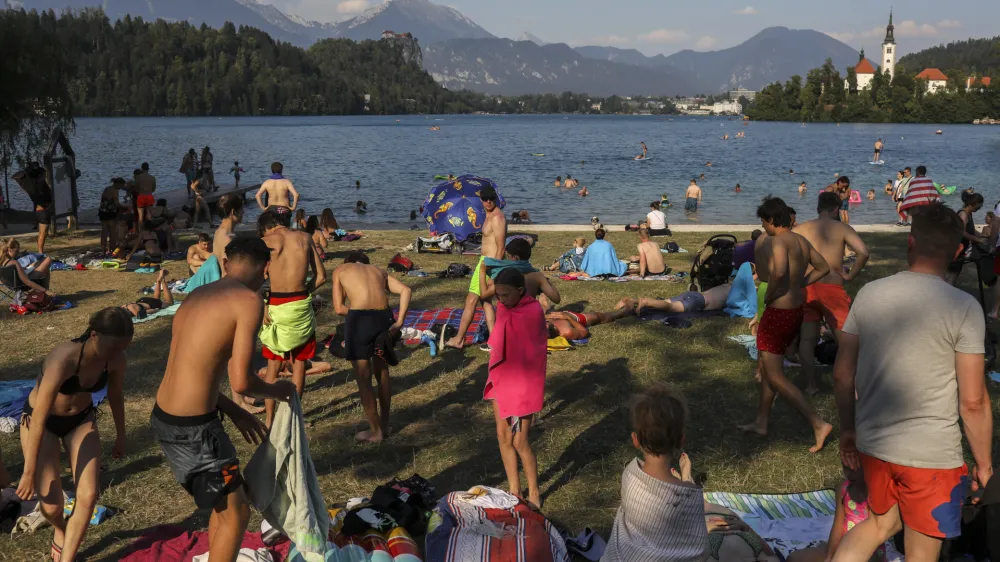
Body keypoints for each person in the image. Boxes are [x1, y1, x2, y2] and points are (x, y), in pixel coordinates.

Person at [833, 203, 992, 561]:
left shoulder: (870, 294)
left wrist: (847, 429)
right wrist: (983, 464)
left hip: (875, 444)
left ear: (910, 243)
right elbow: (973, 401)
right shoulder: (963, 307)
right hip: (931, 458)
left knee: (878, 524)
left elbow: (842, 374)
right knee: (921, 549)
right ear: (957, 252)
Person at [151, 237, 296, 562]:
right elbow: (242, 382)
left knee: (227, 504)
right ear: (266, 268)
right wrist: (280, 390)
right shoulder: (248, 301)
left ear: (227, 262)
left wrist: (233, 411)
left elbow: (194, 370)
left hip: (167, 416)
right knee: (236, 513)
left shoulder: (198, 295)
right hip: (194, 430)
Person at [18, 308, 132, 562]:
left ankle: (67, 557)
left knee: (89, 494)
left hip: (81, 421)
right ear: (94, 335)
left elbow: (115, 395)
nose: (116, 354)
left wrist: (121, 435)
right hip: (42, 422)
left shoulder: (117, 359)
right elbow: (38, 416)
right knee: (51, 506)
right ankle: (60, 528)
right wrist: (28, 471)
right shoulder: (63, 359)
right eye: (112, 347)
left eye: (123, 348)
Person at [740, 197, 833, 453]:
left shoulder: (779, 240)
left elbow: (779, 271)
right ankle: (762, 421)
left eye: (763, 222)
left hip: (779, 310)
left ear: (771, 220)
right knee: (772, 367)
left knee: (774, 374)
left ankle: (818, 423)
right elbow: (823, 267)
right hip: (795, 311)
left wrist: (770, 295)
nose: (764, 227)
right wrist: (802, 283)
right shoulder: (800, 240)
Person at [603, 384, 707, 562]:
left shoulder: (630, 474)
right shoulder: (689, 496)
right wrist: (686, 482)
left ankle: (685, 476)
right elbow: (699, 550)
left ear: (635, 440)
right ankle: (685, 476)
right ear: (681, 440)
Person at [793, 192, 870, 395]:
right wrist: (850, 275)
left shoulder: (800, 229)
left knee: (807, 339)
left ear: (818, 207)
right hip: (831, 288)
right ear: (836, 209)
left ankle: (810, 385)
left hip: (807, 287)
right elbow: (863, 251)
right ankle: (851, 387)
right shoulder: (842, 227)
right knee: (845, 339)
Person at [257, 210, 327, 429]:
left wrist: (263, 303)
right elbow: (321, 276)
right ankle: (294, 418)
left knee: (273, 367)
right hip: (299, 305)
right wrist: (304, 290)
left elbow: (254, 277)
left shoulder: (265, 242)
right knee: (299, 365)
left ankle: (269, 421)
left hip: (276, 305)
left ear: (268, 225)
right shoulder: (305, 238)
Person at [331, 252, 411, 443]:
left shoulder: (341, 269)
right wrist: (399, 322)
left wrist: (361, 314)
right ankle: (385, 424)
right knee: (382, 373)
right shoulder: (378, 271)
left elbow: (339, 308)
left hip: (360, 320)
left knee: (363, 378)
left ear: (348, 262)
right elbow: (406, 290)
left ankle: (376, 432)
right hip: (384, 318)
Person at [484, 268, 546, 508]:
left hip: (523, 382)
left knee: (520, 441)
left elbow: (533, 352)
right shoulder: (503, 307)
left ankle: (534, 492)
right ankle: (514, 489)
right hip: (502, 376)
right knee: (502, 435)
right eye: (498, 295)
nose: (502, 300)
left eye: (506, 295)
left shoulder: (532, 312)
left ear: (520, 291)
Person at [445, 185, 507, 349]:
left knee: (471, 300)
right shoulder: (487, 216)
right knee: (485, 302)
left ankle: (459, 339)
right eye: (485, 199)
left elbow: (501, 247)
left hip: (490, 265)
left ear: (495, 199)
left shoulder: (497, 218)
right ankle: (495, 341)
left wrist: (494, 273)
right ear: (481, 200)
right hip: (484, 263)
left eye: (491, 199)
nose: (488, 202)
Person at [787, 465, 885, 562]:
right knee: (793, 558)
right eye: (845, 467)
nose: (849, 473)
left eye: (854, 468)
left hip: (868, 554)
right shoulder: (843, 488)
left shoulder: (875, 493)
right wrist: (829, 556)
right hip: (842, 549)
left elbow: (876, 535)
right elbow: (837, 526)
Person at [945, 191, 986, 286]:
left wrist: (981, 236)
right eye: (979, 206)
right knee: (951, 276)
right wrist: (977, 240)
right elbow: (962, 232)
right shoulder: (963, 214)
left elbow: (971, 230)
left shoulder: (969, 213)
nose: (979, 208)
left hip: (962, 248)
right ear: (972, 204)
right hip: (956, 248)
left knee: (953, 275)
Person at [13, 162, 53, 254]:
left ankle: (40, 250)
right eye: (43, 175)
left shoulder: (35, 185)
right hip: (43, 211)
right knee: (43, 233)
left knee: (41, 233)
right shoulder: (38, 186)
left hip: (41, 210)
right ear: (39, 175)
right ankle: (40, 252)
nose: (44, 176)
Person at [632, 282, 733, 315]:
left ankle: (633, 301)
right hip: (699, 301)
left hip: (693, 294)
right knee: (671, 307)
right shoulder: (736, 293)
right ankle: (645, 302)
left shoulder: (727, 285)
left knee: (662, 303)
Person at [213, 193, 243, 272]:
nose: (243, 212)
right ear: (233, 211)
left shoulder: (218, 231)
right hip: (228, 283)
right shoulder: (228, 239)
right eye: (241, 209)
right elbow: (226, 272)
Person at [98, 178, 125, 254]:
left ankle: (103, 249)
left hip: (102, 212)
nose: (121, 188)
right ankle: (112, 249)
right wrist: (125, 207)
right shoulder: (115, 190)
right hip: (110, 212)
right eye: (121, 185)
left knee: (104, 231)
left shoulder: (107, 188)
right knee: (112, 232)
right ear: (117, 184)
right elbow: (116, 204)